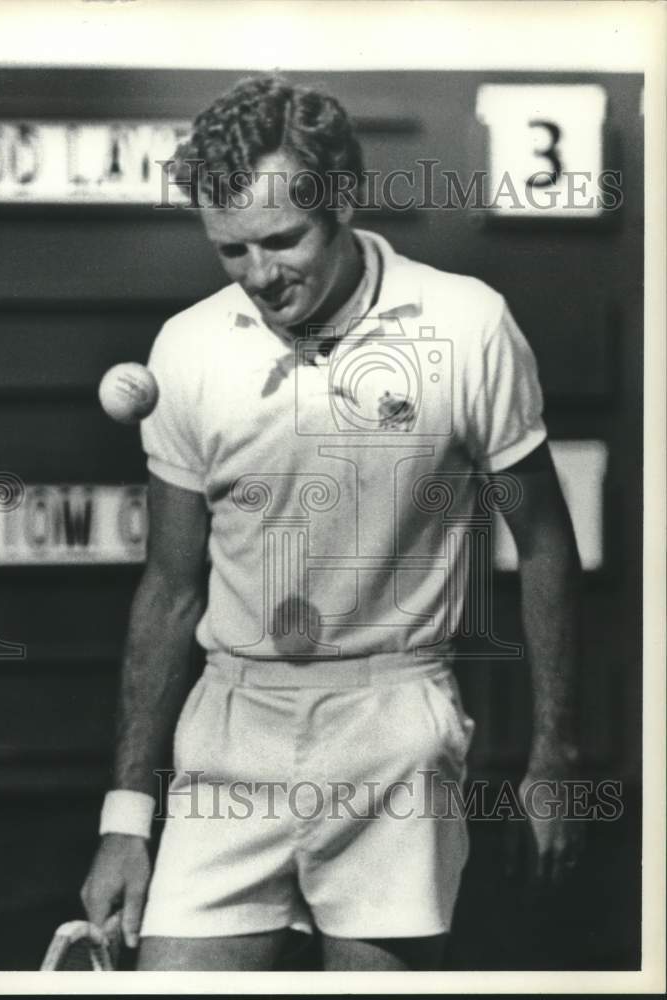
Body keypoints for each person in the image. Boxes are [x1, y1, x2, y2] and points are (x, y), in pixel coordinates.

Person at [81, 74, 584, 971]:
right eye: (230, 251)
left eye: (282, 240)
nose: (260, 276)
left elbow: (543, 543)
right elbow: (168, 587)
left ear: (343, 199)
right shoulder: (188, 348)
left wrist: (553, 759)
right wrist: (125, 818)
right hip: (229, 732)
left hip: (395, 729)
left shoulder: (467, 325)